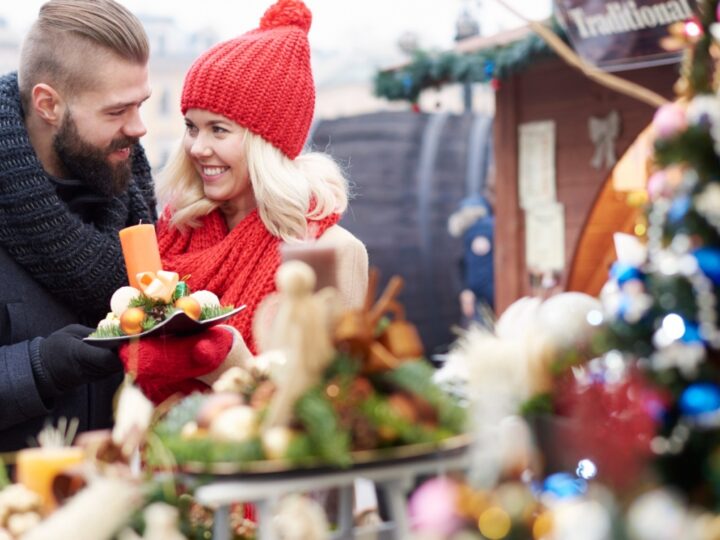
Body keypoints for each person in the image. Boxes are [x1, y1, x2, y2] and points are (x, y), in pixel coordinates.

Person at [121, 0, 369, 404]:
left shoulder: (332, 253)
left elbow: (329, 407)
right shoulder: (175, 234)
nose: (198, 148)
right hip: (161, 461)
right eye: (191, 127)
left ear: (266, 143)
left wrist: (228, 360)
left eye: (219, 130)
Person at [0, 0, 156, 451]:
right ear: (48, 104)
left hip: (122, 500)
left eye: (141, 105)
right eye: (116, 112)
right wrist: (39, 366)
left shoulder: (135, 192)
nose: (140, 128)